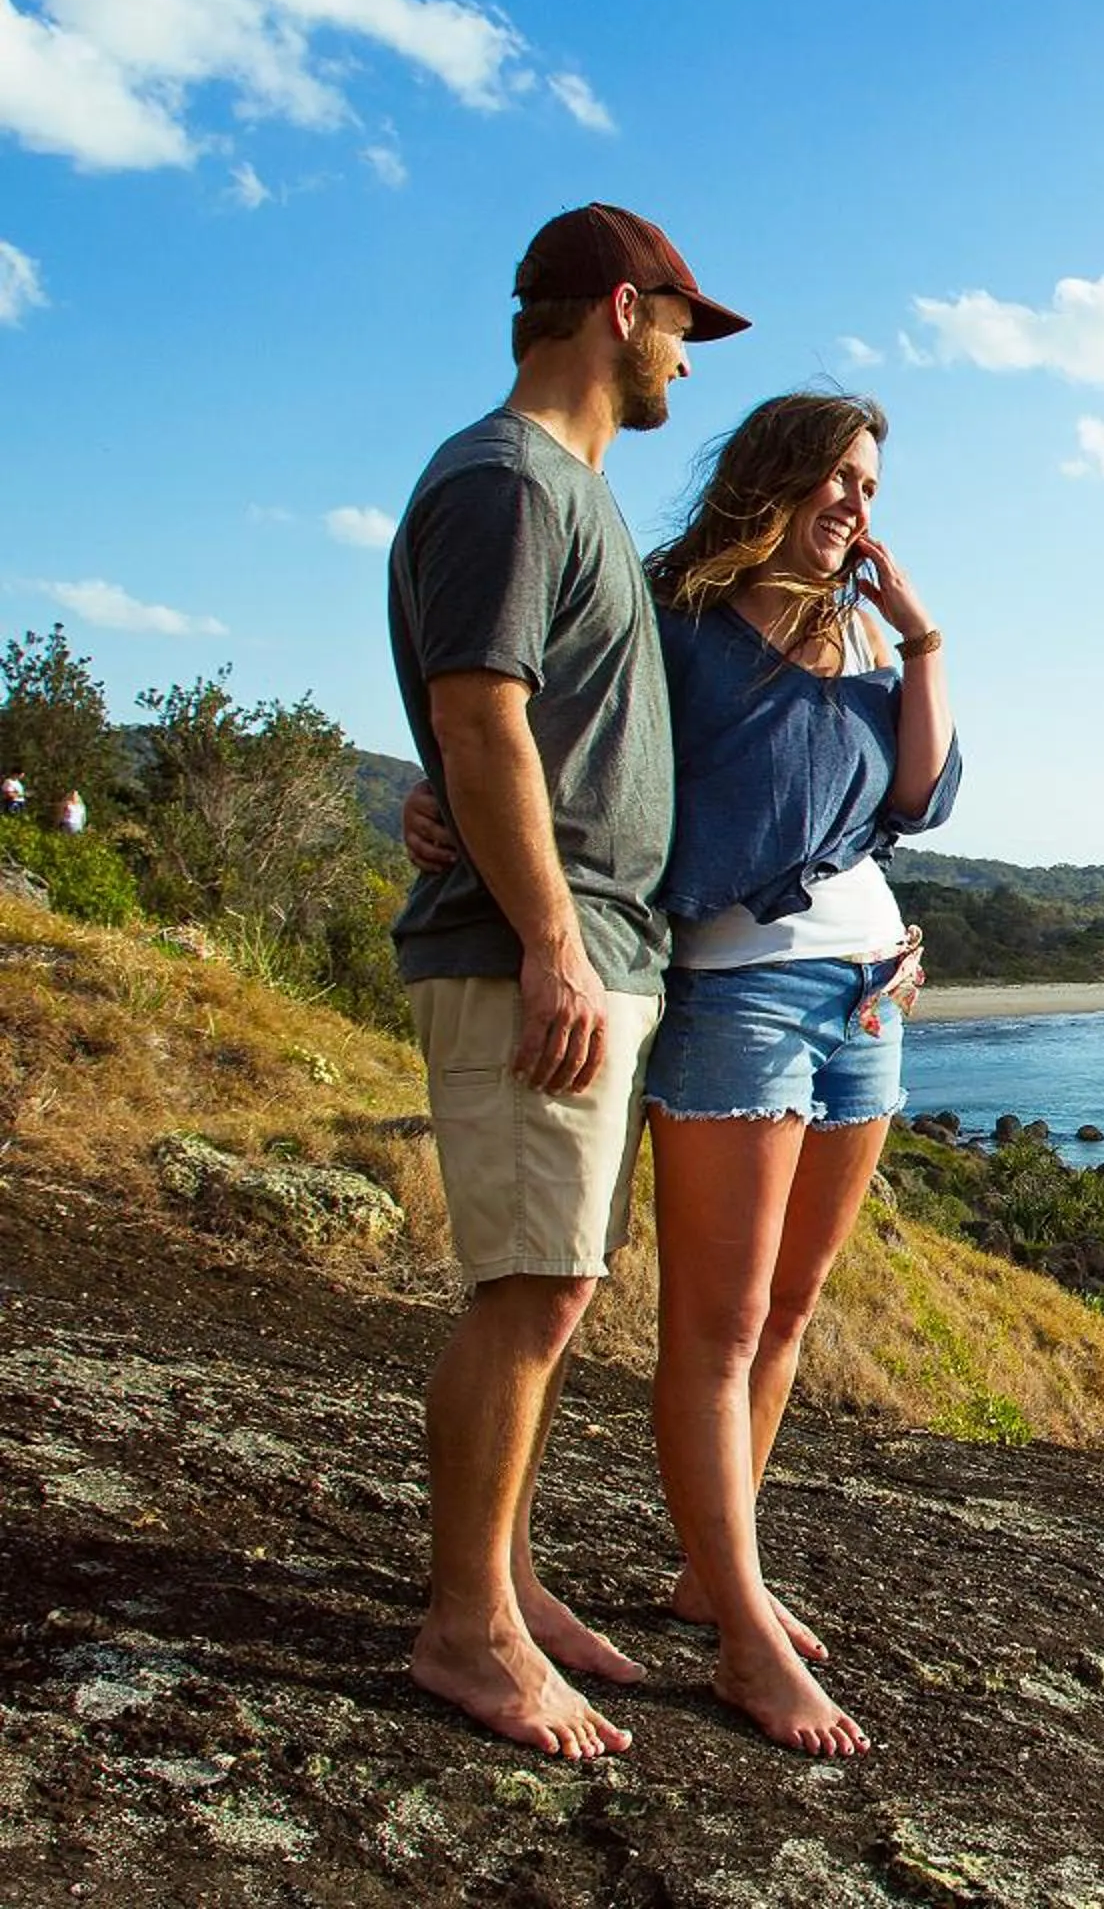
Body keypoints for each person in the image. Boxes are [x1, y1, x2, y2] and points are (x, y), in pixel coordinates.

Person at [385, 202, 748, 1760]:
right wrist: (547, 942)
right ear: (619, 309)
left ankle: (509, 1584)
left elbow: (501, 729)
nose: (687, 360)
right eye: (681, 326)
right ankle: (466, 1631)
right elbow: (479, 716)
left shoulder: (562, 490)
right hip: (545, 948)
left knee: (559, 1282)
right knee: (533, 1290)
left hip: (591, 943)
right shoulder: (511, 480)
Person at [630, 392, 956, 1756]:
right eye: (836, 478)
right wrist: (441, 808)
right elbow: (566, 752)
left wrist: (922, 639)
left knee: (793, 1308)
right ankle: (746, 1637)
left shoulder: (863, 637)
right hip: (740, 992)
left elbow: (918, 797)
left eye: (870, 487)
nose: (854, 506)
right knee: (718, 1323)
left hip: (871, 994)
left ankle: (716, 1577)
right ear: (773, 477)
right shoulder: (679, 625)